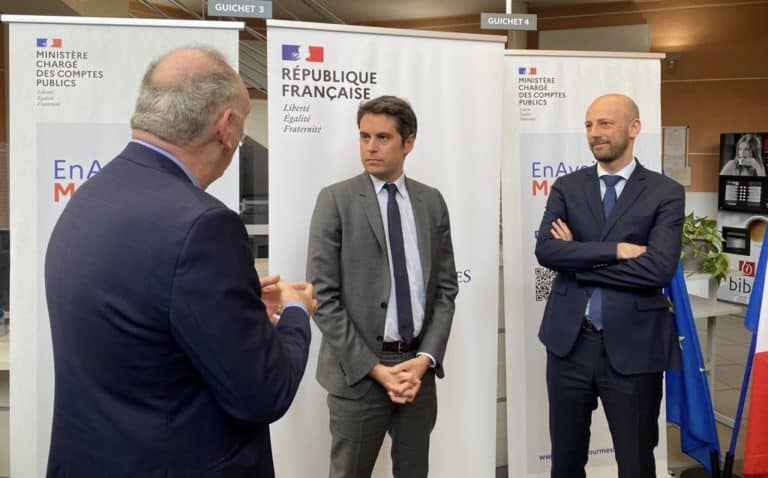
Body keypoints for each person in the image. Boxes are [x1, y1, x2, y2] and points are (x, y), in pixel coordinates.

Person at [44, 46, 315, 478]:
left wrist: (240, 313)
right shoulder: (205, 227)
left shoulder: (88, 198)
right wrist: (296, 312)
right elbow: (264, 392)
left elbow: (150, 334)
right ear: (226, 127)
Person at [307, 95, 459, 478]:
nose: (370, 147)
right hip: (358, 373)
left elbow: (445, 290)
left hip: (416, 372)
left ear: (408, 142)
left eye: (382, 137)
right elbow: (323, 298)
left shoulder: (431, 201)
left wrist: (425, 360)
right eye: (363, 137)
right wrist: (375, 368)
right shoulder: (336, 200)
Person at [535, 93, 684, 477]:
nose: (595, 133)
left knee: (635, 461)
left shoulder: (665, 192)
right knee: (565, 461)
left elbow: (657, 270)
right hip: (569, 345)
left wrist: (579, 262)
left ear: (634, 128)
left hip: (635, 347)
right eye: (588, 125)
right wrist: (616, 250)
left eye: (605, 123)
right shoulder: (568, 187)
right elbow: (548, 252)